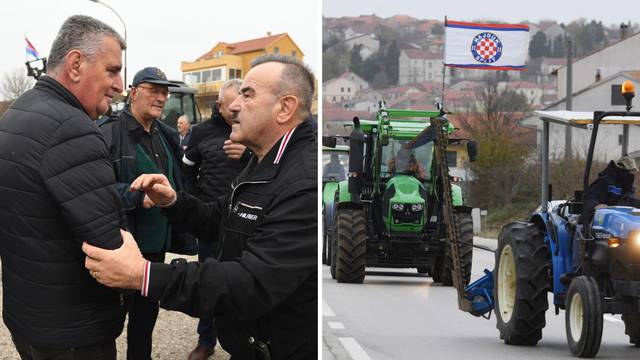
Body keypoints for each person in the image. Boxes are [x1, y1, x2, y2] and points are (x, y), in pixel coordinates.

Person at [83, 54, 317, 360]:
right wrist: (175, 202)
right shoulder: (263, 162)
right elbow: (220, 219)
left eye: (247, 94)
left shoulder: (303, 182)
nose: (233, 106)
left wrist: (144, 275)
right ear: (135, 91)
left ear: (284, 108)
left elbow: (250, 283)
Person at [0, 15, 127, 359]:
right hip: (74, 330)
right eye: (113, 70)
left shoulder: (17, 112)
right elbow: (107, 243)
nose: (120, 85)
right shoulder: (74, 128)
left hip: (29, 319)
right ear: (75, 64)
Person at [99, 67, 185, 360]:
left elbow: (186, 180)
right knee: (107, 325)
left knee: (144, 324)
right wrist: (138, 197)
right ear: (133, 92)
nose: (161, 97)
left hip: (155, 252)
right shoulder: (107, 133)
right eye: (153, 90)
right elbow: (94, 191)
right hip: (121, 248)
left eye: (165, 92)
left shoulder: (167, 135)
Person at [181, 78, 250, 360]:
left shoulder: (254, 130)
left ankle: (244, 344)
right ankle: (206, 339)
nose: (237, 111)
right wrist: (197, 203)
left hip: (247, 220)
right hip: (212, 220)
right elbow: (185, 172)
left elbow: (272, 169)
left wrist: (248, 156)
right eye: (231, 106)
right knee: (208, 280)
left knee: (245, 283)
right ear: (219, 105)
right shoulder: (201, 133)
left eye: (241, 105)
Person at [583, 155, 640, 223]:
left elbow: (629, 201)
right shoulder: (605, 182)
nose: (632, 174)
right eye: (631, 171)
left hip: (620, 223)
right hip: (601, 222)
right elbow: (591, 197)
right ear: (624, 169)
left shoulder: (627, 187)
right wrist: (595, 205)